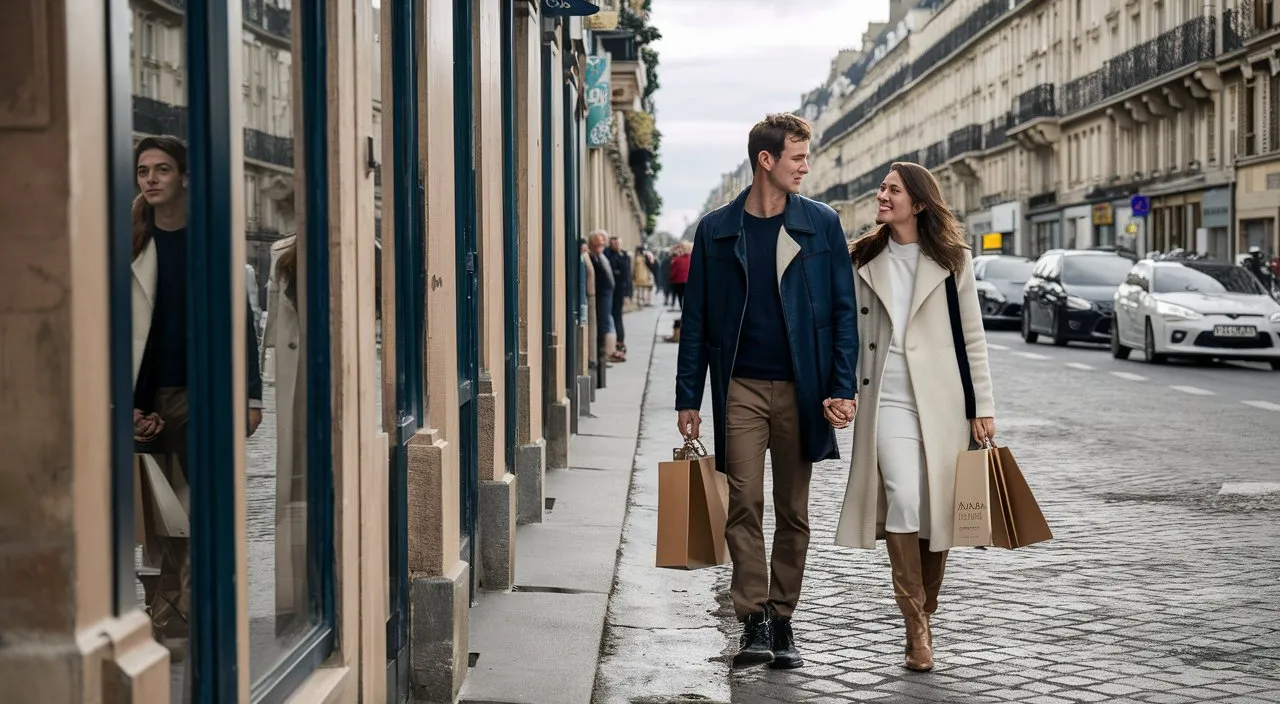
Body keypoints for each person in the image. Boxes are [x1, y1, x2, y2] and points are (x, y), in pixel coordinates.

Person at [674, 113, 858, 669]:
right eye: (798, 158)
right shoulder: (716, 229)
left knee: (794, 510)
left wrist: (841, 386)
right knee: (744, 504)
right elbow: (698, 317)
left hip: (804, 390)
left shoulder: (821, 224)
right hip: (741, 387)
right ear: (766, 160)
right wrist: (688, 398)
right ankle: (752, 618)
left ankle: (784, 620)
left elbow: (843, 313)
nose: (806, 167)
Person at [833, 162, 997, 673]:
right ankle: (916, 625)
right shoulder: (861, 257)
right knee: (903, 495)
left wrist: (983, 407)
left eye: (892, 190)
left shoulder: (952, 260)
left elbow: (973, 338)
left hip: (943, 400)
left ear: (919, 203)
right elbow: (845, 333)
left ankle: (927, 608)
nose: (881, 195)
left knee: (937, 508)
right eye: (881, 187)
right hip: (885, 398)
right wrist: (839, 389)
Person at [130, 136, 264, 646]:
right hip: (148, 397)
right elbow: (119, 329)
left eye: (162, 169)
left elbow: (240, 322)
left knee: (192, 510)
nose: (151, 179)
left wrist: (250, 396)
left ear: (184, 177)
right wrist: (132, 407)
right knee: (157, 514)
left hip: (200, 394)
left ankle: (186, 609)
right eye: (144, 170)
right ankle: (166, 607)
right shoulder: (132, 240)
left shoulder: (211, 242)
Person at [261, 236, 308, 634]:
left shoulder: (368, 249)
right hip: (295, 383)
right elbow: (273, 331)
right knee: (292, 493)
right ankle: (292, 601)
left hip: (334, 383)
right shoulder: (281, 255)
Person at [606, 236, 633, 354]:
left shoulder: (624, 256)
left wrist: (628, 294)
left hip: (619, 291)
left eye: (618, 243)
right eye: (614, 243)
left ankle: (620, 342)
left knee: (617, 317)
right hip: (609, 290)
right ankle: (613, 343)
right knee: (610, 317)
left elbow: (627, 276)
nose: (617, 245)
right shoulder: (608, 254)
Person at [668, 242, 690, 309]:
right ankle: (685, 307)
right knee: (686, 295)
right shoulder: (691, 258)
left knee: (679, 294)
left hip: (678, 280)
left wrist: (671, 279)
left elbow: (674, 271)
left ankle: (681, 306)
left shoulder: (677, 260)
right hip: (688, 280)